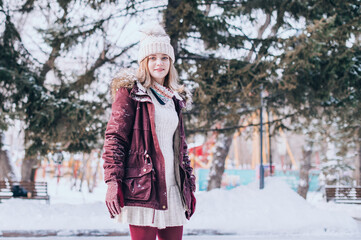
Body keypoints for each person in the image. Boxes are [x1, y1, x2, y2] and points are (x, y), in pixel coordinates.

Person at [102, 24, 196, 240]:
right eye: (152, 57)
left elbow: (181, 149)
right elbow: (115, 139)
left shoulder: (174, 99)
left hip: (174, 189)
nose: (159, 63)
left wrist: (189, 185)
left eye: (164, 57)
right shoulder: (131, 94)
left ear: (170, 62)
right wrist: (112, 181)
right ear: (144, 62)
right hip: (143, 189)